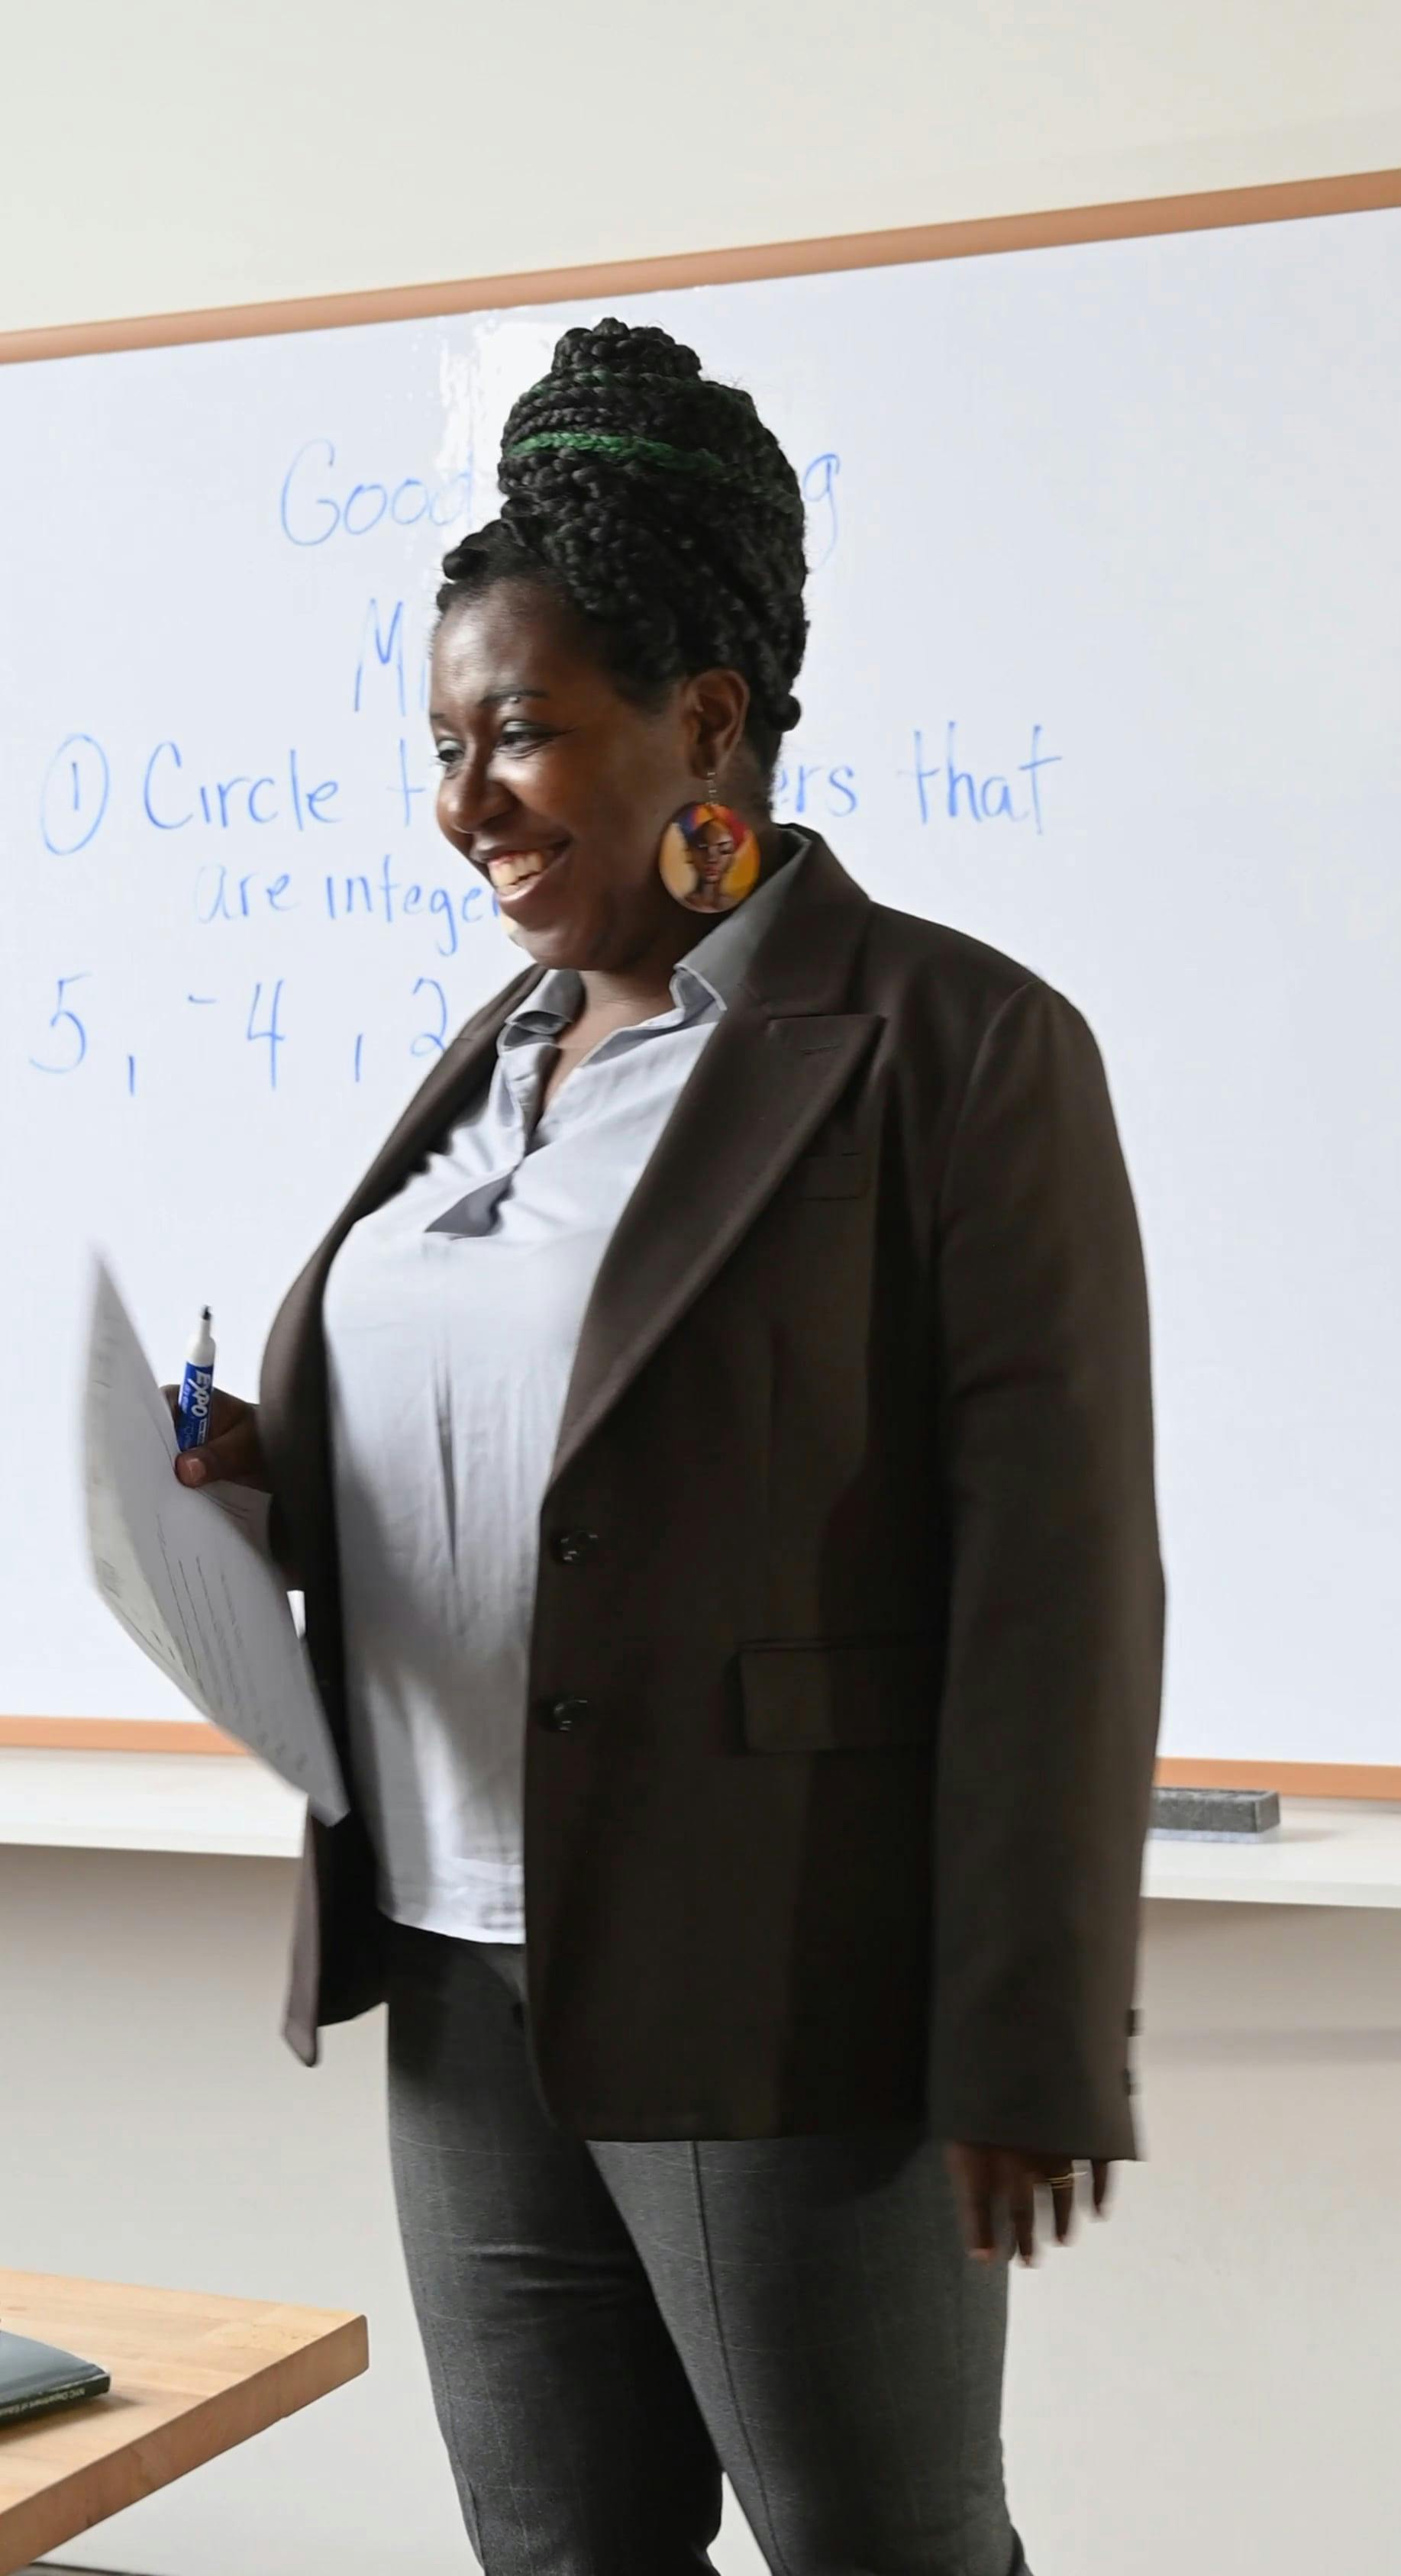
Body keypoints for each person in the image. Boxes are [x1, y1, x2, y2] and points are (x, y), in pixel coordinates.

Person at [175, 317, 1164, 2576]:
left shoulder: (949, 1048)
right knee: (555, 2556)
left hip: (782, 1974)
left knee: (880, 2549)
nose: (465, 803)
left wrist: (1027, 2042)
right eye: (442, 744)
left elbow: (1061, 1576)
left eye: (522, 732)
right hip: (451, 1961)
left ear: (704, 726)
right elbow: (521, 1455)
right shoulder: (489, 1058)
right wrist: (248, 1481)